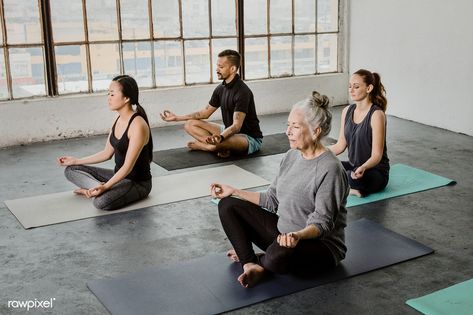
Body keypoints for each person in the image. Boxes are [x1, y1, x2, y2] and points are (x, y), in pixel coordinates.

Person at [211, 91, 349, 288]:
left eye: (295, 126)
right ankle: (251, 263)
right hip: (283, 235)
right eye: (287, 125)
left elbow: (322, 224)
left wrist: (297, 236)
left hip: (319, 247)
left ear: (315, 131)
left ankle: (263, 260)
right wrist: (234, 191)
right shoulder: (291, 156)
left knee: (278, 254)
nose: (288, 132)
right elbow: (272, 200)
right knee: (228, 205)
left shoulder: (331, 169)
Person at [57, 75, 153, 210]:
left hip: (137, 183)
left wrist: (106, 186)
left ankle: (93, 190)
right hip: (118, 176)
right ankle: (96, 189)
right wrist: (76, 161)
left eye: (112, 94)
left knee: (101, 203)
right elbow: (106, 153)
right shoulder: (117, 119)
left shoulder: (138, 125)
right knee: (71, 170)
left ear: (126, 98)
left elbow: (127, 167)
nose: (108, 98)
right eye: (108, 93)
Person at [160, 49, 263, 158]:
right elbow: (204, 113)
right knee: (189, 124)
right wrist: (177, 118)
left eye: (221, 67)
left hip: (249, 138)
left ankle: (207, 147)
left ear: (233, 69)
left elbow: (237, 126)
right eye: (217, 66)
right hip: (227, 131)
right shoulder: (220, 89)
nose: (217, 69)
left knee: (219, 144)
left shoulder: (242, 92)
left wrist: (221, 137)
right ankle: (218, 146)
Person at [329, 69, 390, 197]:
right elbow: (340, 146)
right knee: (326, 165)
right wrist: (316, 152)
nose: (351, 90)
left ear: (369, 88)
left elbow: (377, 155)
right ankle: (350, 189)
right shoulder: (347, 111)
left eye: (356, 87)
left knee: (353, 178)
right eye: (350, 86)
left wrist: (363, 167)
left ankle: (348, 187)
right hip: (353, 167)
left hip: (373, 171)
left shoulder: (376, 115)